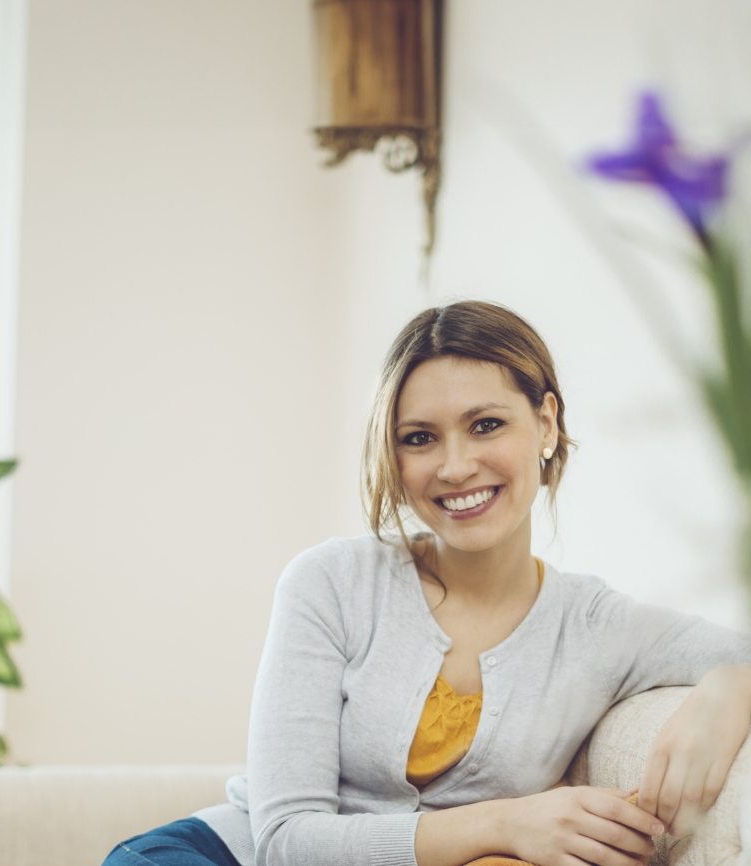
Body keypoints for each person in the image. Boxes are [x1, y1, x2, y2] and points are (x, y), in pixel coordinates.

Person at [102, 301, 751, 866]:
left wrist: (731, 690)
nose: (455, 465)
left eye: (486, 424)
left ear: (546, 424)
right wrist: (506, 824)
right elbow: (285, 842)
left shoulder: (600, 628)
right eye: (419, 438)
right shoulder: (329, 583)